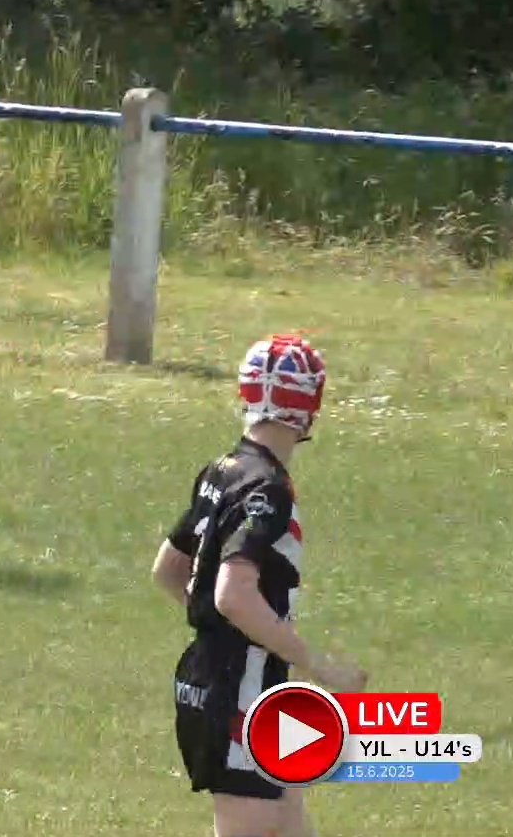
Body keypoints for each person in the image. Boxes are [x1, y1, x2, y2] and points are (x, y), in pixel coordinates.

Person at [150, 334, 368, 837]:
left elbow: (169, 569)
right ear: (310, 405)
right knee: (253, 825)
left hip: (229, 676)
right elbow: (232, 593)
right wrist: (319, 664)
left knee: (288, 821)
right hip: (238, 686)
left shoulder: (222, 471)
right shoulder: (268, 489)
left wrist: (218, 625)